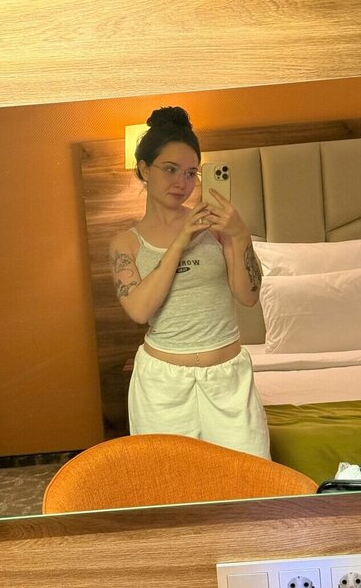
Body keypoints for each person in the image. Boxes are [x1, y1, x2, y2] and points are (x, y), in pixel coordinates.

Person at [109, 106, 270, 459]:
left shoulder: (218, 227)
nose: (182, 182)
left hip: (228, 381)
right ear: (144, 169)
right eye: (170, 169)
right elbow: (139, 310)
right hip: (162, 388)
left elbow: (248, 296)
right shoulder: (126, 243)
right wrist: (181, 240)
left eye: (190, 173)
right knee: (170, 483)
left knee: (250, 479)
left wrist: (240, 234)